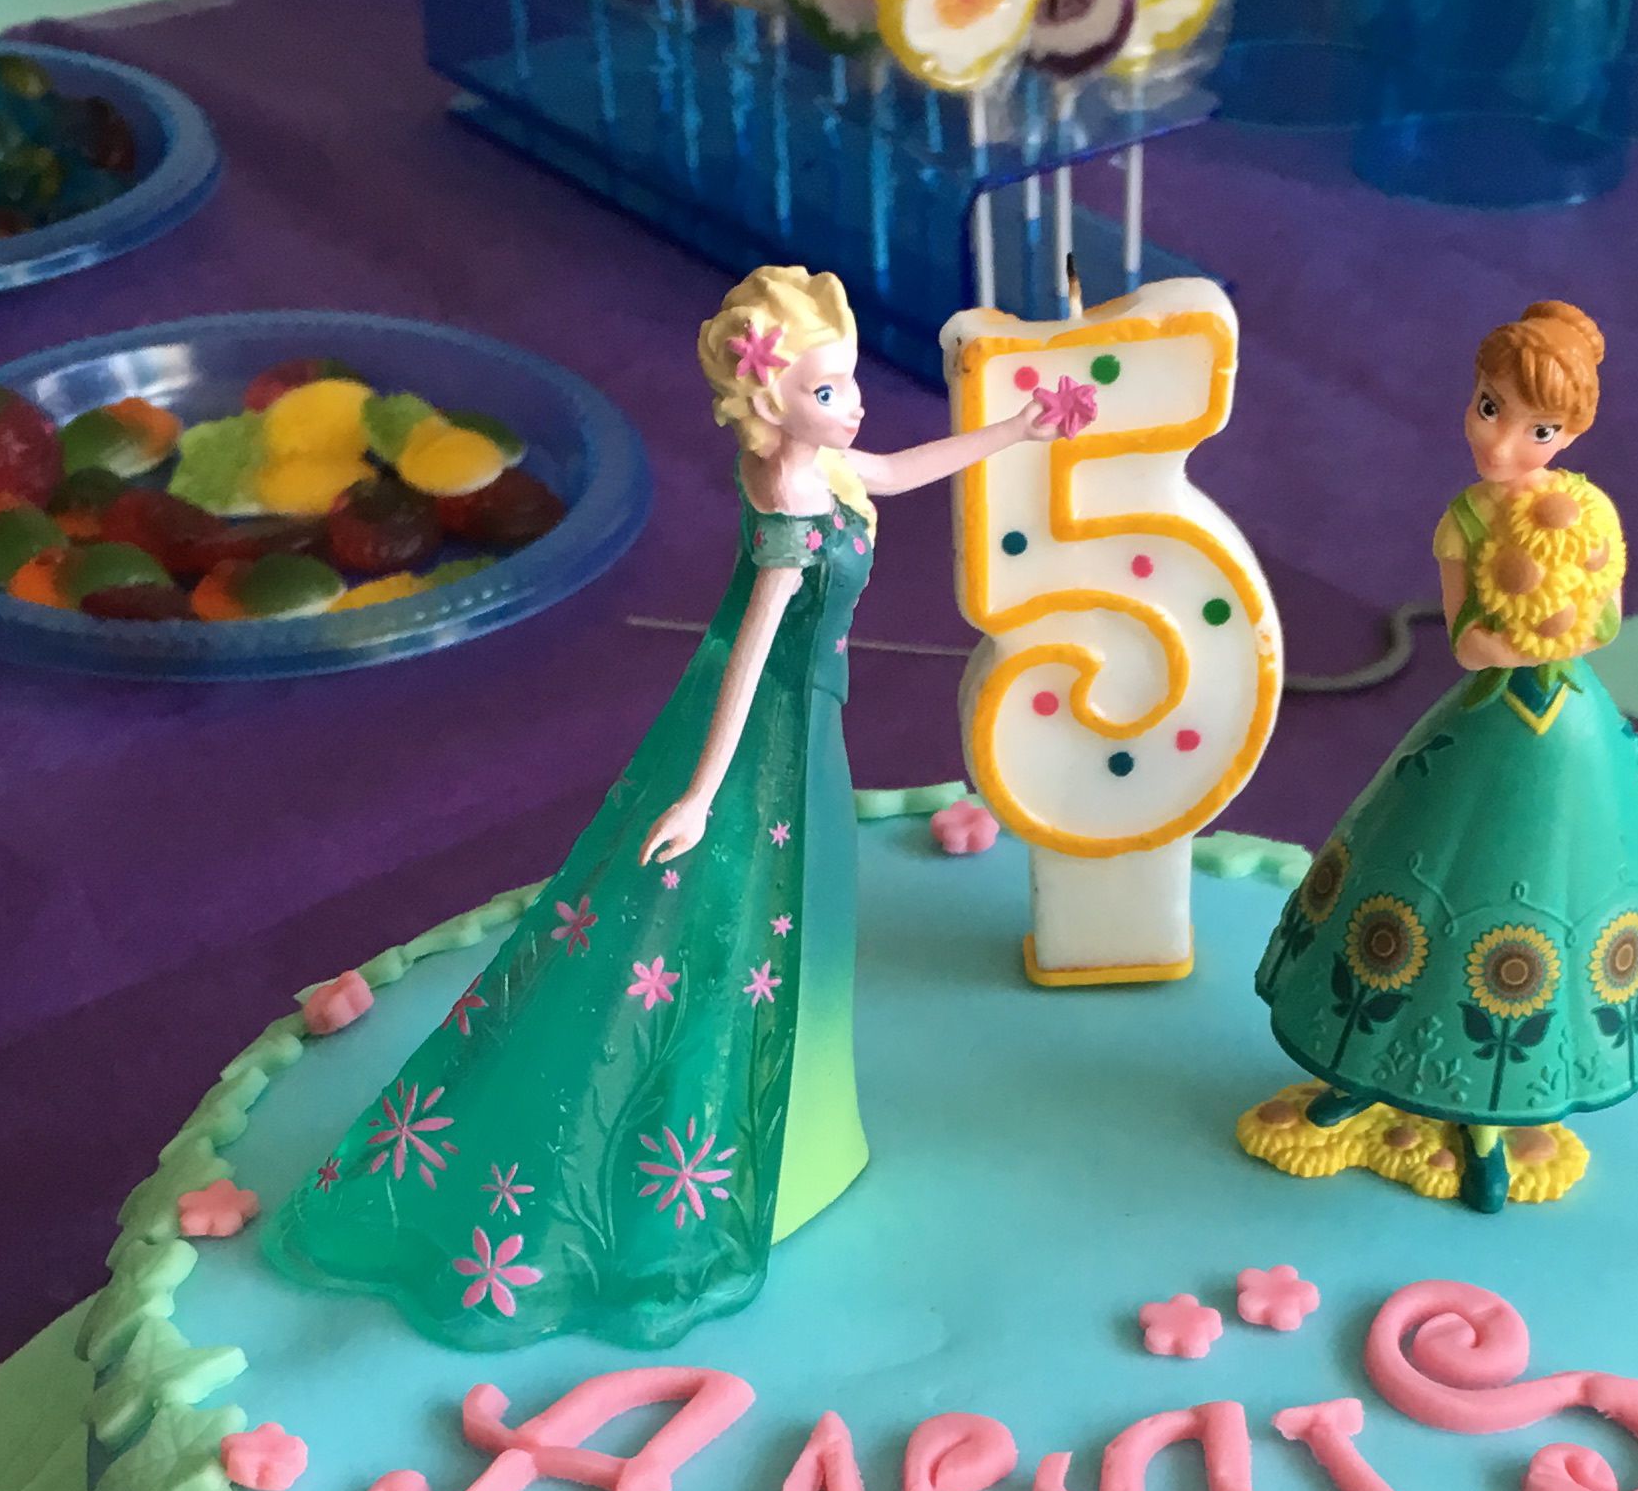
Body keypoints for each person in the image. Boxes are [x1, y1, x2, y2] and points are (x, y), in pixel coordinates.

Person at [267, 265, 1064, 1347]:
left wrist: (1015, 430)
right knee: (748, 924)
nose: (852, 408)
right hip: (773, 737)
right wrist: (700, 790)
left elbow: (897, 467)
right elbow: (750, 654)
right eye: (827, 391)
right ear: (770, 399)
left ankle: (808, 1132)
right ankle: (744, 1152)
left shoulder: (823, 466)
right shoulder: (789, 505)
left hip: (812, 725)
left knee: (804, 925)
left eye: (849, 384)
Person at [1242, 298, 1638, 1213]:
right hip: (1482, 729)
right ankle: (1366, 1074)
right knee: (1425, 888)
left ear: (1570, 434)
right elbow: (1470, 645)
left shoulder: (1586, 515)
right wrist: (1525, 626)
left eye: (1536, 429)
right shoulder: (1466, 520)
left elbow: (1608, 619)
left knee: (1546, 900)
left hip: (1568, 736)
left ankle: (1488, 1123)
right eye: (1489, 408)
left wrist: (1562, 622)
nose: (1502, 441)